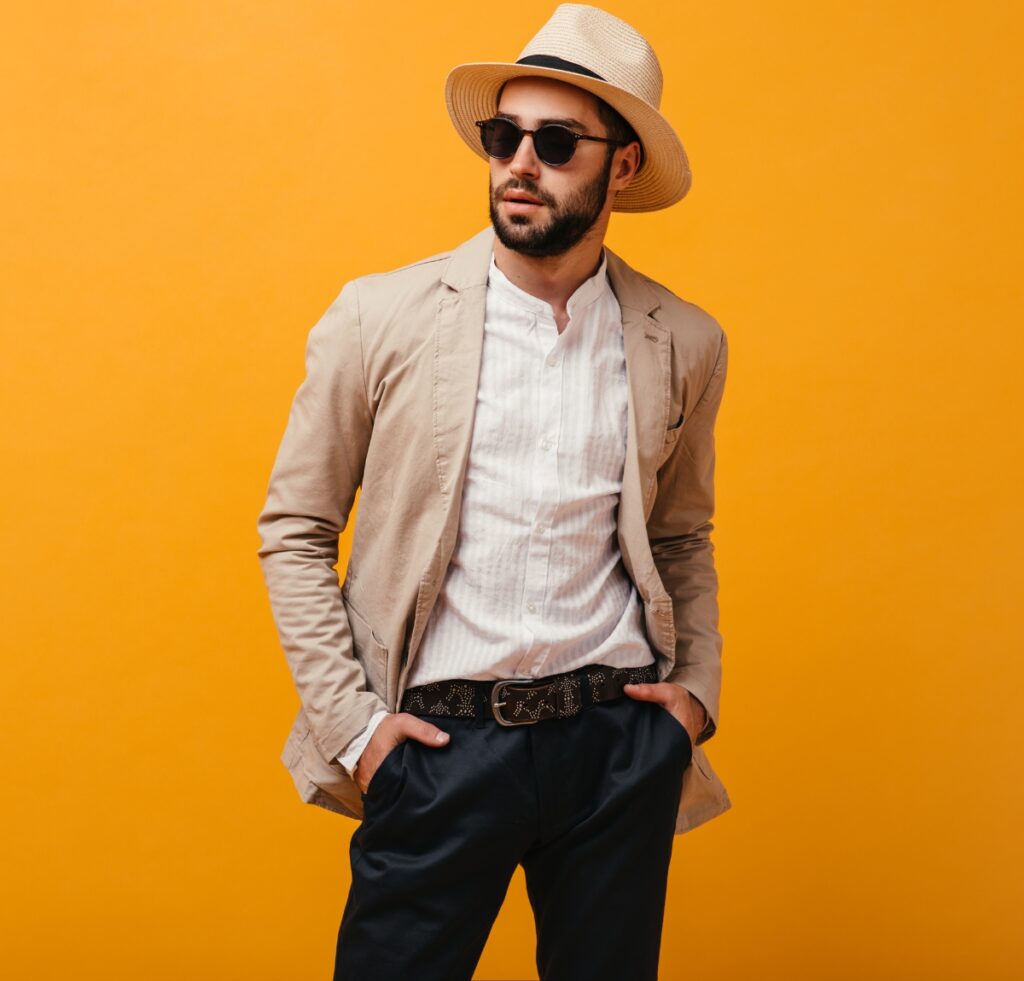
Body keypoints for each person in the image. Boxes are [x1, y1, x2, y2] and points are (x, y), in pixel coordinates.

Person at [256, 4, 731, 979]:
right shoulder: (378, 317)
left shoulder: (681, 340)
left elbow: (681, 536)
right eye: (501, 136)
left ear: (621, 165)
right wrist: (355, 730)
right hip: (437, 747)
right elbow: (296, 528)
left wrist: (688, 702)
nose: (519, 162)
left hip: (615, 745)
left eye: (555, 143)